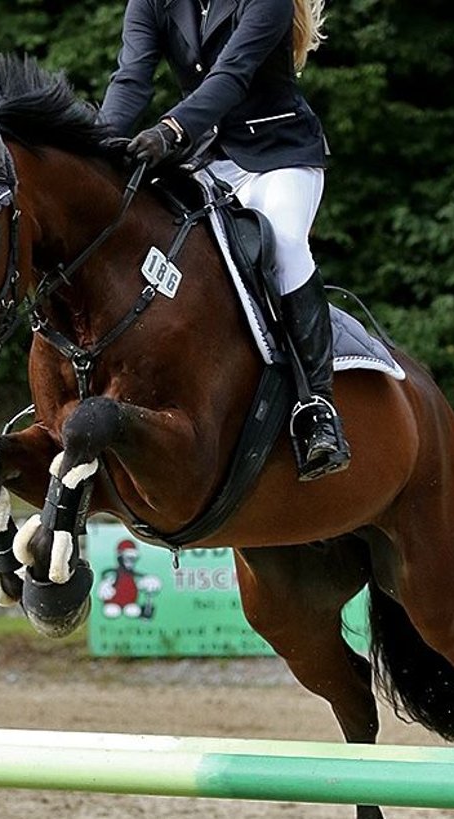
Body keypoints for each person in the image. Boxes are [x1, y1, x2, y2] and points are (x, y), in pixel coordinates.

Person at [100, 0, 349, 481]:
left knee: (283, 244)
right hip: (206, 159)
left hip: (279, 156)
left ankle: (317, 409)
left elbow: (231, 76)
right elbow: (130, 78)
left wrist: (170, 130)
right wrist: (96, 147)